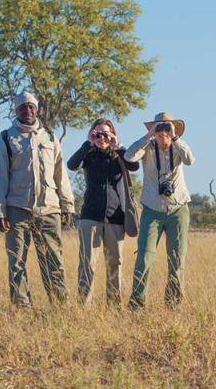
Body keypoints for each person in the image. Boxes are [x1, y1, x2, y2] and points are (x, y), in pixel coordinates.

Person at [0, 92, 75, 308]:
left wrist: (67, 204)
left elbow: (60, 175)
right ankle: (22, 309)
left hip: (49, 208)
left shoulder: (50, 138)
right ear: (16, 110)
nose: (27, 111)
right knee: (17, 261)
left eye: (30, 107)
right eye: (22, 108)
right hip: (17, 209)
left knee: (53, 261)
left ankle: (60, 306)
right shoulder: (5, 139)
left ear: (36, 109)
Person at [124, 112, 195, 309]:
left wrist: (175, 138)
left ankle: (173, 304)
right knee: (144, 257)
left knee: (177, 259)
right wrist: (148, 136)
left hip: (178, 208)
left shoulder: (179, 146)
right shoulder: (147, 147)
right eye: (159, 128)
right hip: (152, 209)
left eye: (166, 128)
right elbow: (129, 156)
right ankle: (137, 304)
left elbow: (190, 160)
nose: (163, 132)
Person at [67, 118, 140, 306]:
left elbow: (134, 166)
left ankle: (114, 307)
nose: (101, 138)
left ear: (112, 135)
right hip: (90, 216)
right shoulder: (89, 155)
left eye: (105, 134)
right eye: (97, 133)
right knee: (87, 264)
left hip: (116, 217)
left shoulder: (119, 156)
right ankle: (84, 306)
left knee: (115, 264)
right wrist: (88, 143)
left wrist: (118, 147)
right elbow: (71, 164)